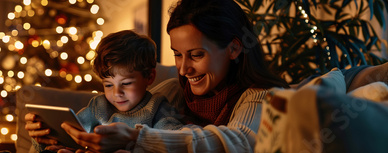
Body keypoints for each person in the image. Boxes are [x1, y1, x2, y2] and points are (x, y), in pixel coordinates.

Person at [26, 0, 385, 152]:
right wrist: (59, 134)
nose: (183, 69)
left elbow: (237, 142)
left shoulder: (258, 95)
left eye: (196, 55)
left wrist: (137, 139)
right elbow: (113, 116)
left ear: (233, 48)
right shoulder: (169, 89)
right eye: (178, 55)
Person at [30, 30, 183, 153]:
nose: (117, 93)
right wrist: (47, 139)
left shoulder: (158, 109)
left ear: (149, 77)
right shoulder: (99, 105)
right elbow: (72, 134)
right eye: (109, 85)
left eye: (126, 83)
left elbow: (173, 144)